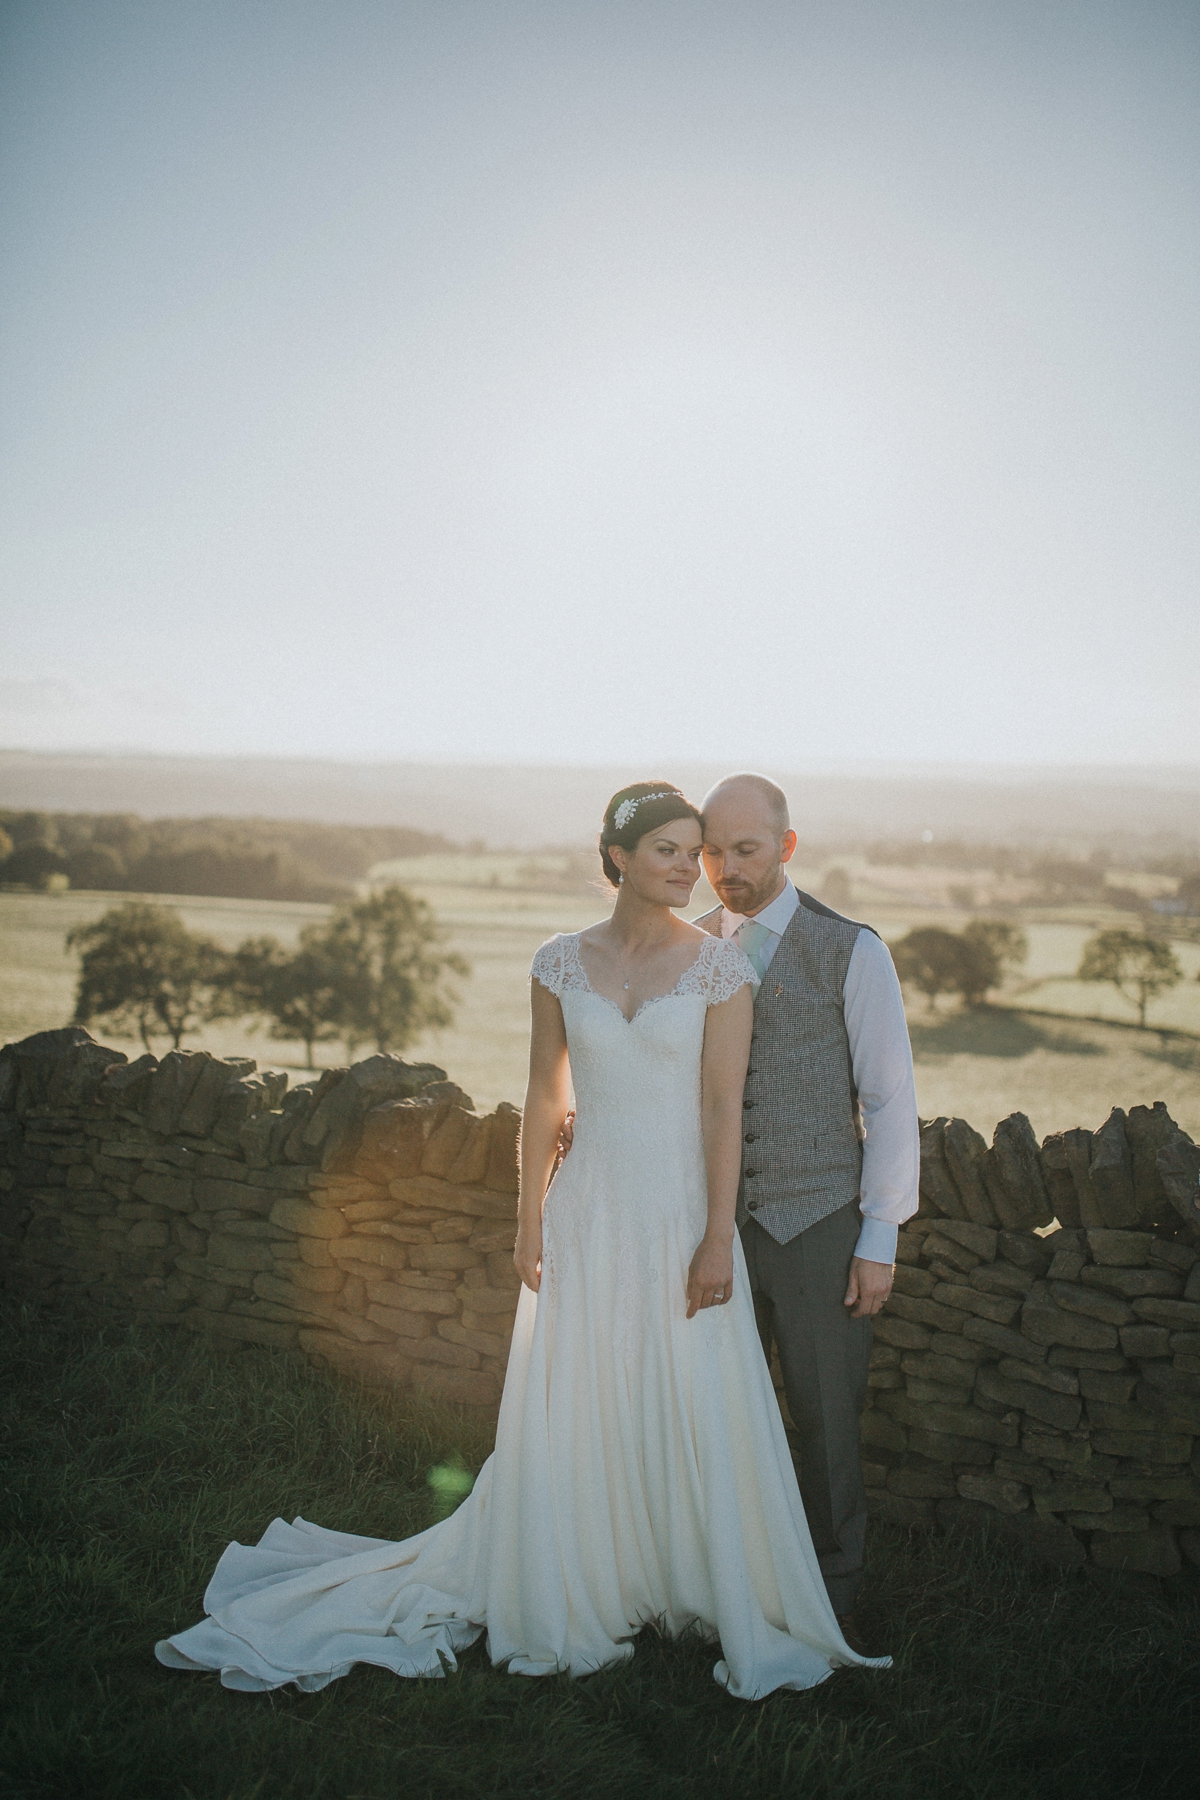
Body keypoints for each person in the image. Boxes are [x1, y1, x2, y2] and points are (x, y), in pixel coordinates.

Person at [155, 782, 887, 1699]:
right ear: (616, 856)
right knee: (582, 1394)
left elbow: (719, 1109)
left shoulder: (720, 971)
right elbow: (547, 1099)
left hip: (676, 1215)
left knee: (685, 1389)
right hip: (585, 1213)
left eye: (691, 850)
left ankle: (685, 1573)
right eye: (668, 849)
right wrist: (529, 1222)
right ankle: (582, 1571)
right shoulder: (558, 963)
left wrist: (713, 1238)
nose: (686, 867)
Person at [695, 774, 919, 1640]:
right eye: (712, 851)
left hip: (821, 1221)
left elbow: (892, 1100)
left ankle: (835, 1588)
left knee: (826, 1417)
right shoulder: (694, 948)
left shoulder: (850, 949)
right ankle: (734, 1569)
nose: (725, 868)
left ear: (786, 847)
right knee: (718, 1407)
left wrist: (878, 1238)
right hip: (714, 1227)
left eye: (744, 849)